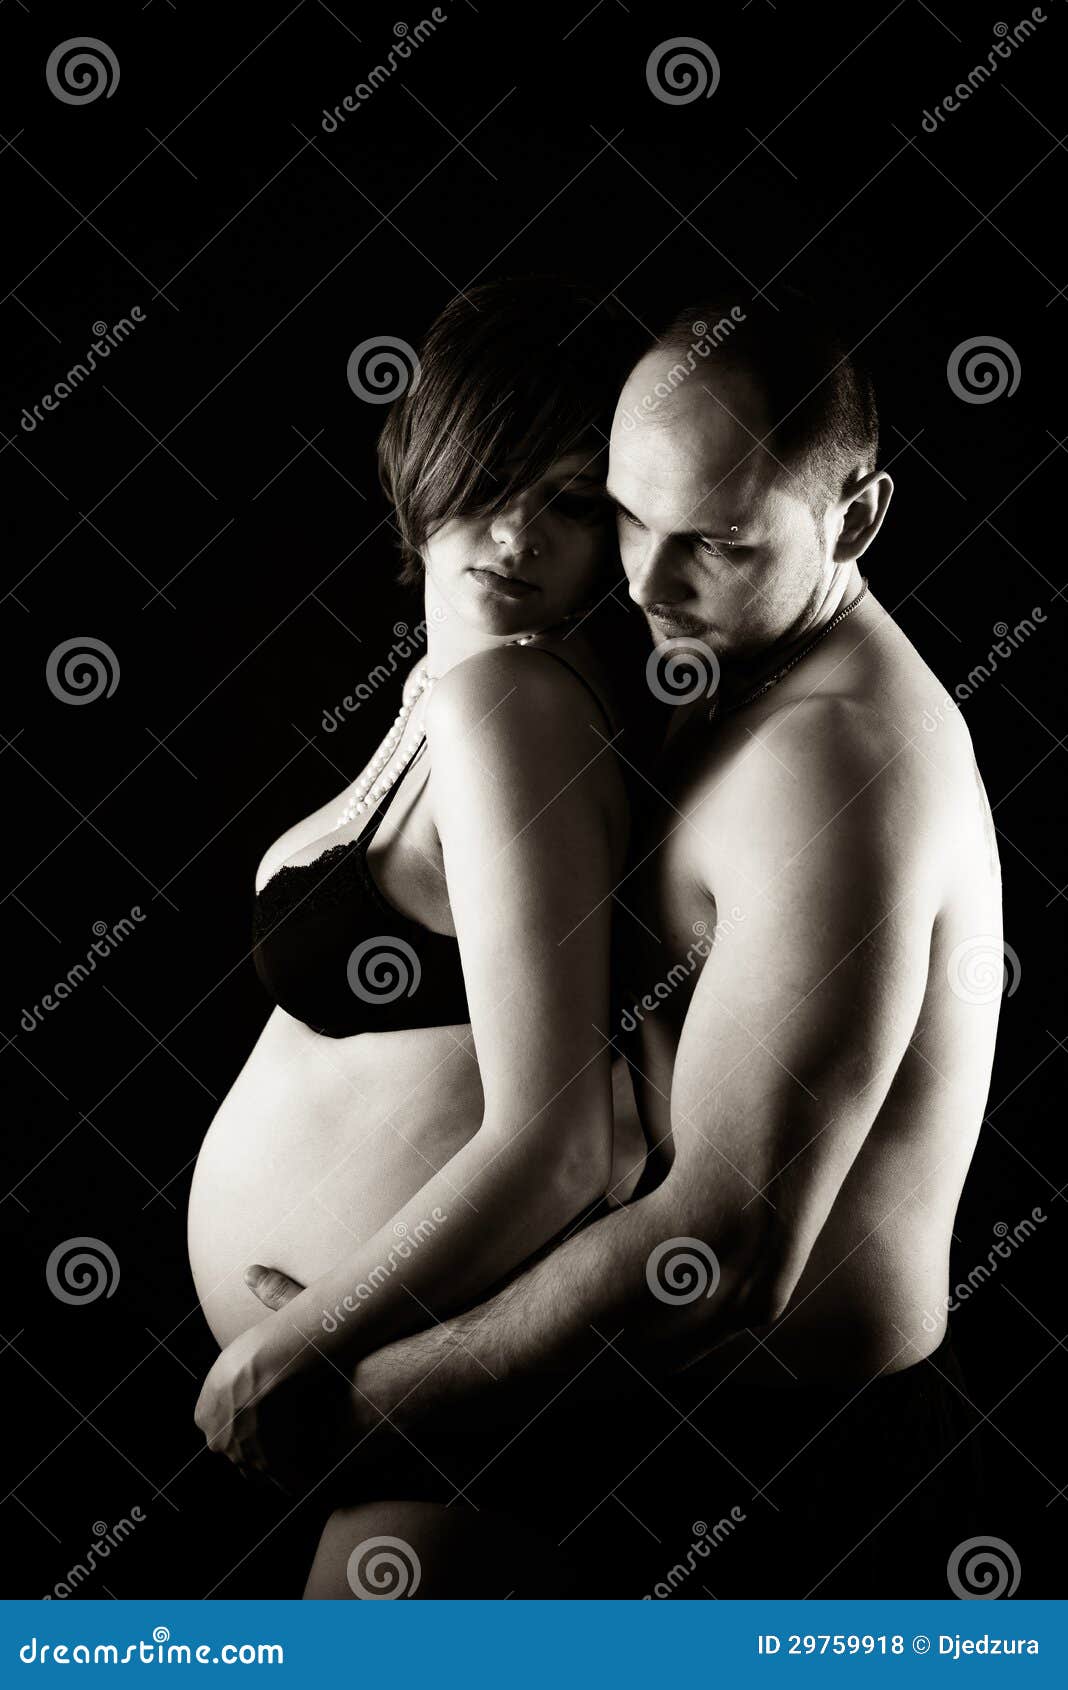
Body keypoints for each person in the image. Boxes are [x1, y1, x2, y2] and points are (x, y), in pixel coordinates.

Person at [244, 292, 1001, 1598]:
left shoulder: (836, 760)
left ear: (856, 520)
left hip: (757, 1438)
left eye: (713, 538)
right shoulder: (739, 674)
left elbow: (726, 1254)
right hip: (632, 1390)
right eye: (630, 514)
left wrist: (360, 1396)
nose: (651, 581)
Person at [190, 278, 656, 1482]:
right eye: (498, 476)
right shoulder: (449, 693)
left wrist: (299, 1338)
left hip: (437, 1399)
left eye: (571, 505)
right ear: (429, 458)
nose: (519, 536)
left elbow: (558, 1144)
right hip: (392, 1395)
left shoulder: (517, 705)